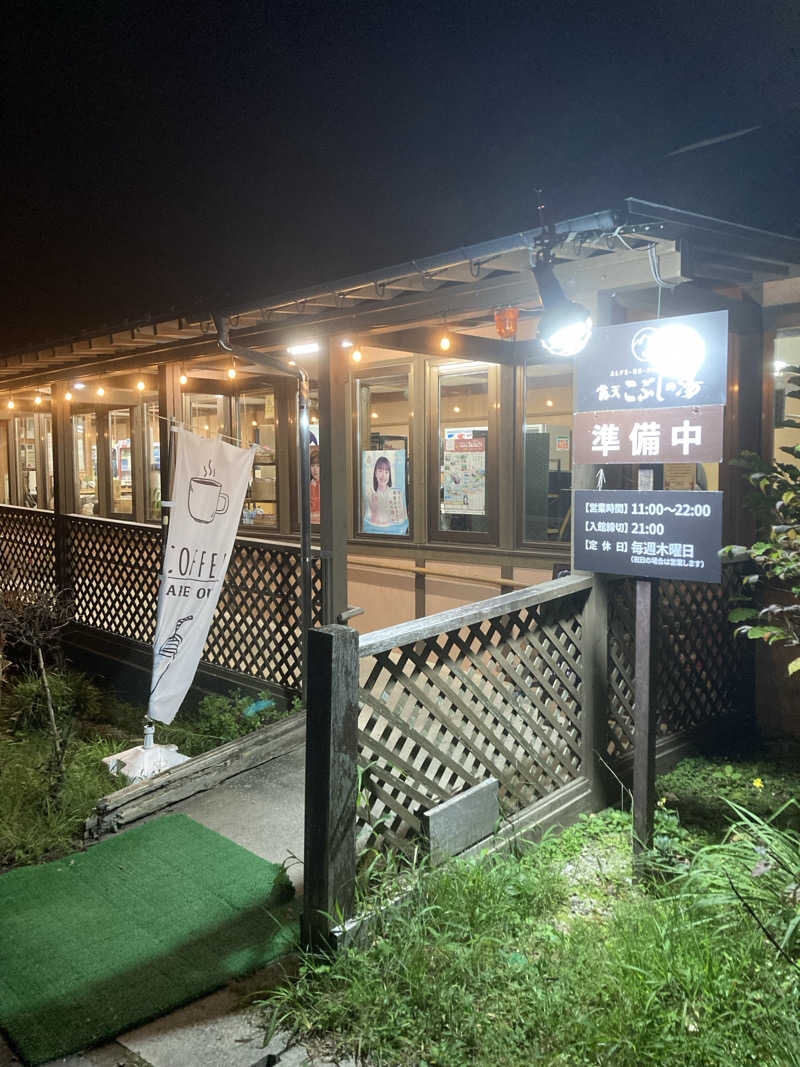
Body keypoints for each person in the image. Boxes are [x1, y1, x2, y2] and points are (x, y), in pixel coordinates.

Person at [365, 454, 408, 533]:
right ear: (375, 473)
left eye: (386, 472)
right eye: (380, 471)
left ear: (390, 475)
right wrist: (374, 510)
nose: (383, 475)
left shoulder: (396, 495)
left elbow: (401, 520)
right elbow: (369, 525)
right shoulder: (370, 495)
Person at [309, 446, 320, 524]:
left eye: (318, 466)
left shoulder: (328, 487)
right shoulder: (308, 485)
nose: (315, 470)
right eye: (312, 466)